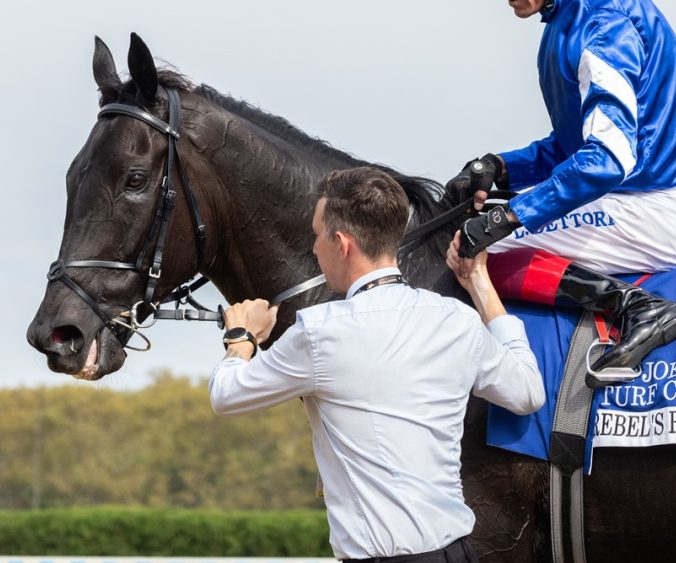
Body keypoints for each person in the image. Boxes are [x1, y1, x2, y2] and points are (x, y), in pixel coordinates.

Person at [445, 0, 676, 385]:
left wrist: (510, 215)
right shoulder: (568, 18)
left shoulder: (602, 22)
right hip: (634, 194)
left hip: (654, 204)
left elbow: (606, 160)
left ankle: (639, 310)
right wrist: (502, 167)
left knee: (476, 255)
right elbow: (570, 148)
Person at [209, 166, 545, 563]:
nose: (314, 249)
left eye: (316, 236)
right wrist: (481, 285)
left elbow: (226, 396)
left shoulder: (318, 331)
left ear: (341, 243)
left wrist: (241, 337)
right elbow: (528, 392)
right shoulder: (457, 320)